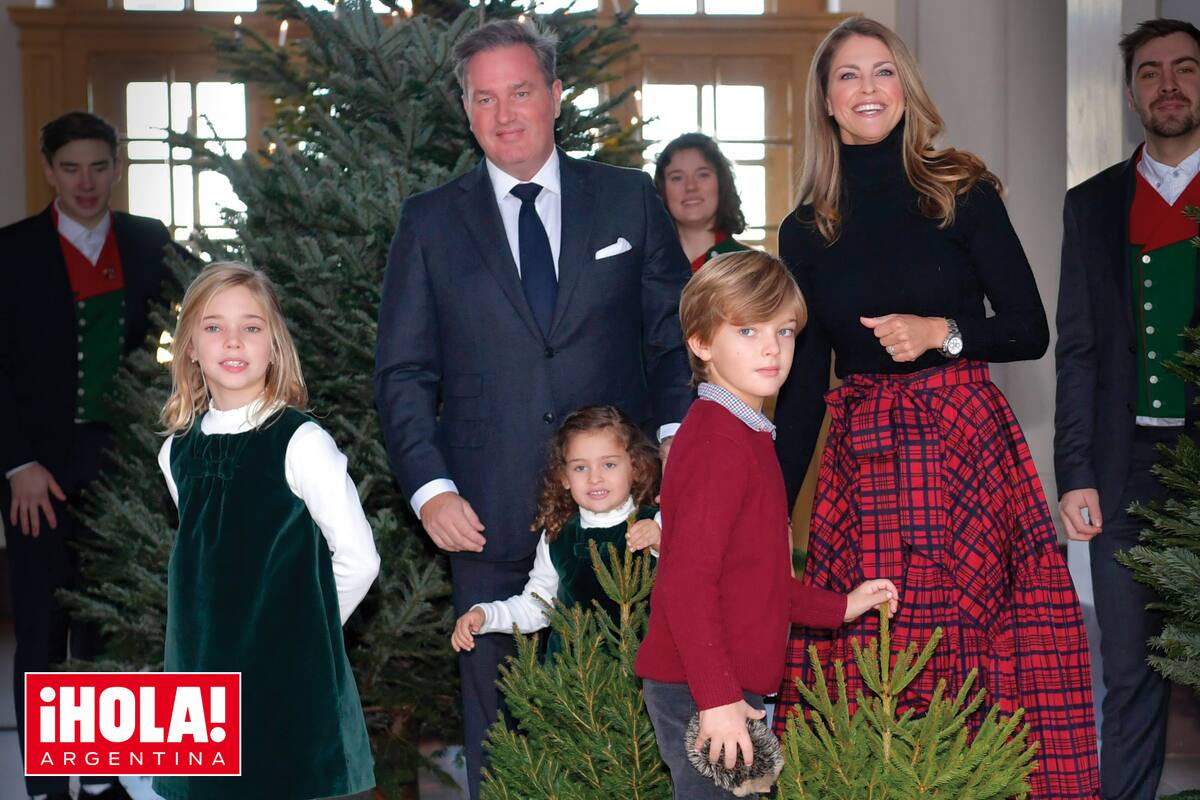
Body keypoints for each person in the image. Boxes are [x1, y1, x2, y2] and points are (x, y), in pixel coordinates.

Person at [771, 17, 1099, 800]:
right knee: (872, 648)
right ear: (825, 100)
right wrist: (768, 512)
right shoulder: (805, 230)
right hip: (866, 463)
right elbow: (802, 387)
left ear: (905, 86)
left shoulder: (960, 192)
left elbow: (1028, 329)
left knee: (979, 644)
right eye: (847, 76)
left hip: (966, 447)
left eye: (881, 72)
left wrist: (940, 335)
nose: (867, 90)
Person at [373, 18, 692, 799]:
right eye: (485, 98)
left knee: (635, 706)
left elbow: (676, 340)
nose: (505, 113)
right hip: (481, 508)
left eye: (520, 92)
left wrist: (679, 455)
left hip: (620, 513)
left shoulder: (626, 201)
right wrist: (430, 488)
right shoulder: (430, 221)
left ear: (554, 95)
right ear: (465, 110)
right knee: (495, 715)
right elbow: (403, 371)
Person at [634, 250, 898, 800]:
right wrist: (716, 699)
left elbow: (756, 577)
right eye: (748, 329)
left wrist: (839, 607)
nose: (772, 347)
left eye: (784, 330)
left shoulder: (746, 433)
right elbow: (686, 584)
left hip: (727, 682)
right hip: (701, 685)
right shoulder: (715, 444)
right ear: (702, 343)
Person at [154, 263, 380, 800]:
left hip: (284, 679)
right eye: (213, 327)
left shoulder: (302, 443)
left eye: (252, 327)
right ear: (189, 346)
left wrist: (304, 634)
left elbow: (358, 558)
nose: (233, 340)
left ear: (275, 345)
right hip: (203, 680)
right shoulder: (175, 453)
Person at [0, 111, 174, 800]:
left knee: (107, 623)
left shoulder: (148, 242)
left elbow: (177, 339)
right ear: (48, 170)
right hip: (33, 471)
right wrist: (16, 465)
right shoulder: (10, 251)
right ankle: (47, 787)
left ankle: (103, 780)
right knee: (43, 627)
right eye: (70, 168)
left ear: (117, 167)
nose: (86, 182)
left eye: (99, 167)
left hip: (121, 464)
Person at [1055, 18, 1200, 800]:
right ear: (1132, 90)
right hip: (1124, 467)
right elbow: (1076, 350)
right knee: (1130, 668)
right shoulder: (1093, 205)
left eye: (1184, 68)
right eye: (1150, 72)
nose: (1168, 85)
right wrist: (1075, 472)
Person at [450, 404, 660, 654]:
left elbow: (693, 584)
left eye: (609, 465)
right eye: (580, 467)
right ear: (564, 477)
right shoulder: (557, 536)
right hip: (571, 683)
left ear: (635, 467)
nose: (595, 478)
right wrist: (485, 614)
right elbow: (536, 606)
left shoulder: (657, 524)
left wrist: (661, 544)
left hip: (640, 679)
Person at [654, 132, 750, 272]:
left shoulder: (750, 268)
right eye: (677, 178)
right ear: (661, 189)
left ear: (722, 184)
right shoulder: (645, 267)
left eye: (703, 175)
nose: (691, 186)